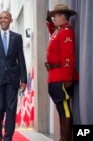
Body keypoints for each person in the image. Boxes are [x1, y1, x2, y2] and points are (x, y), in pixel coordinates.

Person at [0, 11, 27, 141]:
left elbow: (21, 59)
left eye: (5, 18)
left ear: (11, 20)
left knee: (11, 108)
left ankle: (8, 137)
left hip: (13, 79)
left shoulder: (17, 37)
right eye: (1, 18)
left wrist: (23, 80)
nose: (3, 20)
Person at [45, 3, 79, 141]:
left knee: (64, 109)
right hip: (54, 76)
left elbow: (68, 57)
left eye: (55, 16)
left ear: (61, 16)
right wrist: (49, 22)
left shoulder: (66, 32)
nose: (54, 19)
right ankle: (63, 137)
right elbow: (53, 32)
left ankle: (66, 138)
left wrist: (67, 77)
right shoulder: (59, 31)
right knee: (61, 109)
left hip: (61, 77)